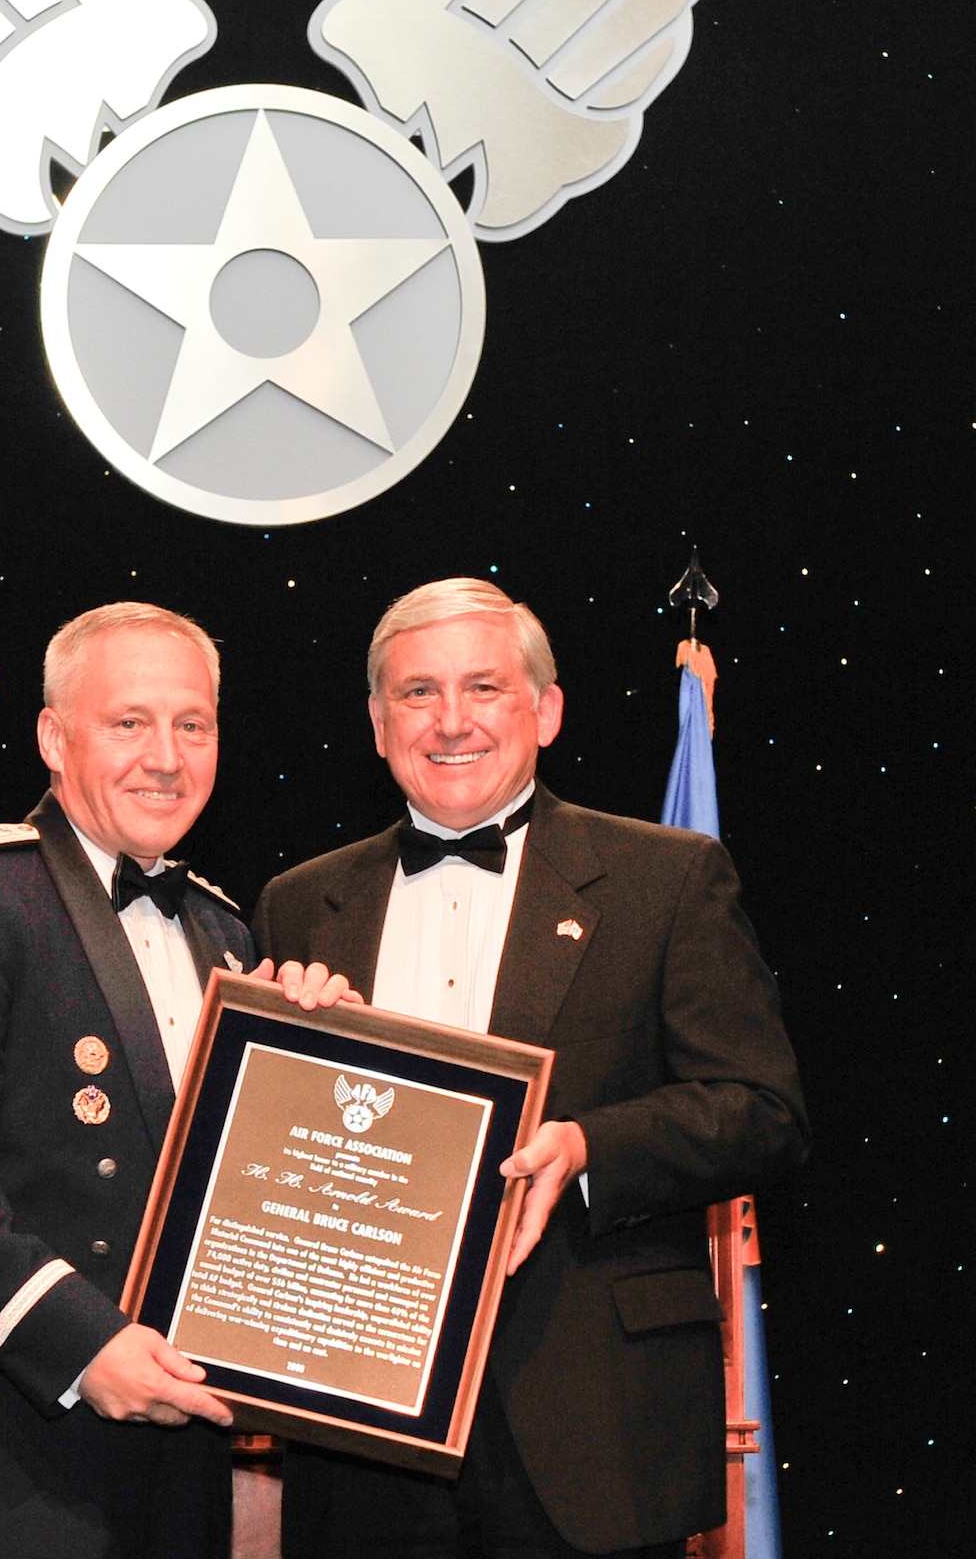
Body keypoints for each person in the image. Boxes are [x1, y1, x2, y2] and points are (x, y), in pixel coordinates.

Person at [253, 579, 808, 1559]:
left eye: (484, 687)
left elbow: (761, 1110)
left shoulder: (667, 877)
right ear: (378, 724)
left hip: (590, 1422)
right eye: (417, 692)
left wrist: (589, 1146)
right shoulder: (301, 903)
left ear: (544, 710)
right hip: (361, 1420)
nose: (451, 719)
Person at [0, 601, 352, 1559]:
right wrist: (82, 1343)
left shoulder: (227, 932)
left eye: (191, 725)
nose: (165, 756)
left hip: (181, 1449)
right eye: (129, 723)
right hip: (14, 1440)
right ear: (51, 736)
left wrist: (310, 1059)